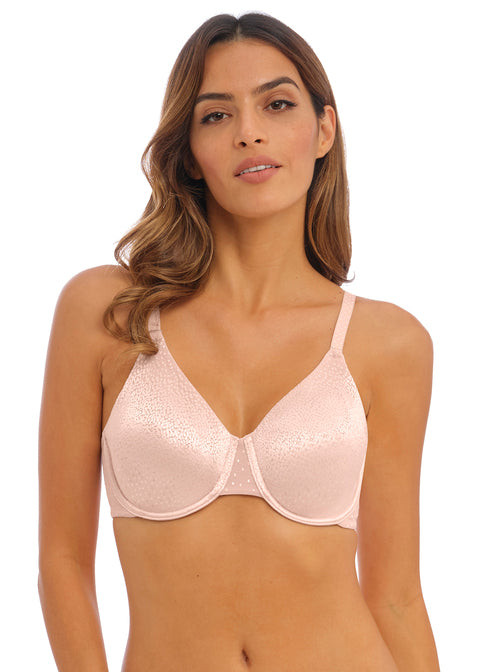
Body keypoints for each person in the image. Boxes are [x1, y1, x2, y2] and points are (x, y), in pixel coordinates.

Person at [38, 12, 440, 672]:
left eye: (277, 104)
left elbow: (396, 598)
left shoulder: (389, 343)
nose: (249, 131)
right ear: (189, 153)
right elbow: (62, 562)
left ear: (324, 130)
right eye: (216, 115)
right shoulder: (108, 313)